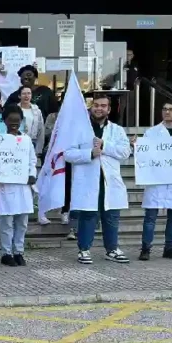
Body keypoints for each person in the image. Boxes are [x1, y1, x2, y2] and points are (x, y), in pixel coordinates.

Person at [64, 93, 131, 265]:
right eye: (96, 105)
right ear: (91, 107)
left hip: (109, 181)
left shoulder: (116, 130)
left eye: (103, 106)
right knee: (88, 216)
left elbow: (125, 152)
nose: (99, 108)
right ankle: (84, 249)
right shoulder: (80, 129)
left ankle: (112, 249)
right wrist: (89, 154)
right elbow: (68, 154)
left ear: (109, 109)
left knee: (111, 216)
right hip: (88, 180)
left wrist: (105, 146)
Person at [136, 101, 172, 262]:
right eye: (165, 109)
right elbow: (144, 156)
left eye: (171, 109)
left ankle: (170, 248)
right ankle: (145, 249)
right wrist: (137, 147)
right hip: (156, 180)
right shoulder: (151, 133)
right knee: (150, 216)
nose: (167, 112)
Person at [0, 105, 37, 266]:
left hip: (23, 186)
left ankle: (19, 251)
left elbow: (32, 160)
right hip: (6, 186)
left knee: (22, 222)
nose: (14, 124)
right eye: (10, 121)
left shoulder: (26, 140)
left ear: (21, 121)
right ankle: (6, 253)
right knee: (6, 222)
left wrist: (32, 174)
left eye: (17, 121)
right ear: (4, 121)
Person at [16, 85, 46, 156]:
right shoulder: (15, 109)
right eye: (24, 94)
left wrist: (39, 149)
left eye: (29, 93)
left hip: (32, 142)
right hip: (18, 141)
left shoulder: (37, 111)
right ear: (19, 96)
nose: (26, 96)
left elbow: (41, 130)